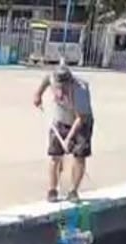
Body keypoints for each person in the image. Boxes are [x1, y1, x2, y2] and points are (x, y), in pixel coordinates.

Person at [34, 65, 94, 204]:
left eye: (63, 86)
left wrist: (68, 138)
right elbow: (46, 80)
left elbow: (80, 118)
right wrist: (38, 94)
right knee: (55, 156)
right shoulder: (53, 79)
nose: (60, 88)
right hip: (60, 120)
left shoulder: (80, 90)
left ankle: (73, 191)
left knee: (79, 157)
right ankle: (52, 189)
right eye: (58, 85)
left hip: (81, 123)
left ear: (69, 82)